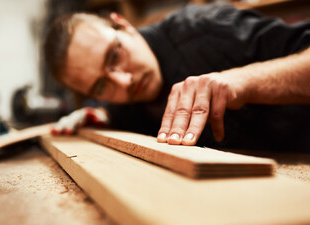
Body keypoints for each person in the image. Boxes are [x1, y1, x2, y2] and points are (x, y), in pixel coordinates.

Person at [44, 3, 310, 152]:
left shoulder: (209, 28)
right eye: (101, 86)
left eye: (114, 56)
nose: (124, 82)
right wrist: (103, 117)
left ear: (123, 24)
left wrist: (244, 80)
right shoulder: (121, 104)